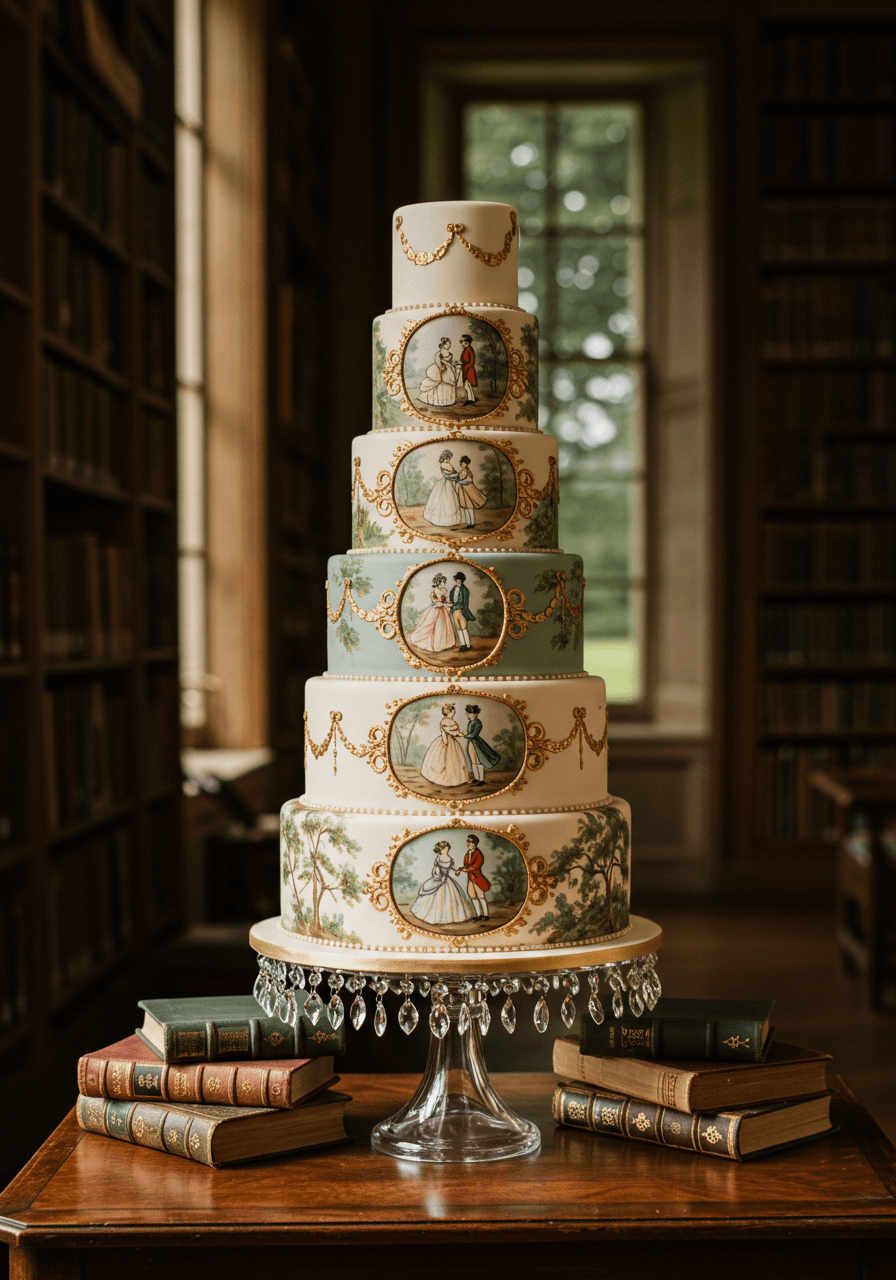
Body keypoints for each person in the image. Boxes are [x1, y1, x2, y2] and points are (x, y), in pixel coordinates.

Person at [410, 841, 473, 925]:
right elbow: (435, 870)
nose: (446, 849)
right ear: (440, 850)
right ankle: (435, 917)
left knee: (450, 899)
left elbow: (454, 869)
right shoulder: (438, 858)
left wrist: (458, 871)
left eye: (447, 847)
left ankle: (451, 917)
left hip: (447, 881)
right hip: (439, 879)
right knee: (436, 898)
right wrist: (437, 875)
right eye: (444, 848)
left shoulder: (450, 859)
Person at [419, 704, 470, 788]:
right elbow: (455, 733)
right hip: (449, 741)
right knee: (449, 759)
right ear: (449, 712)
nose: (454, 713)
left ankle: (445, 778)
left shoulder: (443, 720)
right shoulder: (450, 722)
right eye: (453, 712)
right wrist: (464, 734)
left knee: (446, 760)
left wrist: (445, 740)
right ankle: (451, 779)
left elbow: (444, 733)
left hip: (443, 740)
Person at [406, 572, 458, 653]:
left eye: (444, 582)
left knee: (444, 626)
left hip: (442, 609)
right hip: (436, 609)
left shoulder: (444, 590)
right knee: (433, 624)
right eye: (442, 582)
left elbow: (445, 600)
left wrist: (449, 603)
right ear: (438, 582)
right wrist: (444, 602)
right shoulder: (436, 590)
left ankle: (444, 644)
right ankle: (435, 645)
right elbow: (439, 600)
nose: (443, 584)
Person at [422, 449, 463, 527]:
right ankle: (440, 521)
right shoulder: (443, 464)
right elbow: (447, 475)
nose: (448, 459)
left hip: (450, 483)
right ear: (444, 457)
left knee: (451, 501)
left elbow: (454, 473)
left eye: (449, 458)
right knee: (443, 500)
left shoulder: (449, 464)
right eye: (448, 458)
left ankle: (452, 521)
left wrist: (456, 476)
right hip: (446, 483)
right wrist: (456, 475)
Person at [463, 703, 501, 786]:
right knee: (473, 761)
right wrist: (465, 734)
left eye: (469, 714)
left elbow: (474, 734)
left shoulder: (478, 723)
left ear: (475, 714)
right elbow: (470, 733)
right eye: (467, 714)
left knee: (478, 761)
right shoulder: (470, 722)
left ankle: (481, 779)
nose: (468, 715)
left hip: (477, 743)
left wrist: (464, 735)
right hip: (471, 743)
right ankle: (476, 778)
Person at [455, 833, 491, 919]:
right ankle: (478, 915)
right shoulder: (468, 853)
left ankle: (486, 915)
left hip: (477, 878)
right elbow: (466, 865)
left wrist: (466, 870)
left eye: (471, 842)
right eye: (468, 841)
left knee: (481, 897)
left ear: (475, 843)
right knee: (473, 897)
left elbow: (476, 865)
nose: (469, 844)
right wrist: (460, 869)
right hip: (470, 878)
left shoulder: (478, 853)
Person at [418, 337, 459, 408]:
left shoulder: (448, 352)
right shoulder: (439, 353)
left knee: (449, 384)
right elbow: (438, 361)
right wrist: (442, 368)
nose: (448, 346)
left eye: (449, 344)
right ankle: (439, 400)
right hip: (443, 370)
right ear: (443, 344)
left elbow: (449, 360)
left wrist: (453, 364)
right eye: (447, 344)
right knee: (442, 382)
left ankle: (448, 400)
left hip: (449, 369)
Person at [456, 455, 487, 529]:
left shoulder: (468, 471)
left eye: (464, 463)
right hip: (463, 490)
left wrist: (460, 482)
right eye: (462, 463)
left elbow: (469, 480)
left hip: (469, 490)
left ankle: (472, 523)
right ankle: (468, 523)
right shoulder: (461, 471)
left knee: (470, 507)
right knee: (465, 507)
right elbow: (458, 478)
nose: (463, 465)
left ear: (466, 464)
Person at [449, 571, 476, 652]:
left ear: (462, 581)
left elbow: (464, 603)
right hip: (454, 610)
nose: (457, 582)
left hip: (461, 610)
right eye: (456, 581)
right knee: (458, 628)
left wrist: (453, 605)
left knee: (463, 628)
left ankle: (468, 645)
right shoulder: (453, 589)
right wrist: (451, 604)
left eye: (459, 581)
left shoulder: (465, 590)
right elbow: (451, 598)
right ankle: (462, 645)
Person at [459, 334, 478, 403]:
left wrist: (465, 367)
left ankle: (471, 399)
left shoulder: (470, 349)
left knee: (467, 385)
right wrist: (460, 363)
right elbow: (463, 359)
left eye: (462, 341)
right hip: (465, 370)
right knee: (467, 385)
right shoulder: (465, 349)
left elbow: (472, 361)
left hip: (469, 370)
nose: (461, 342)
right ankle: (471, 399)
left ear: (467, 341)